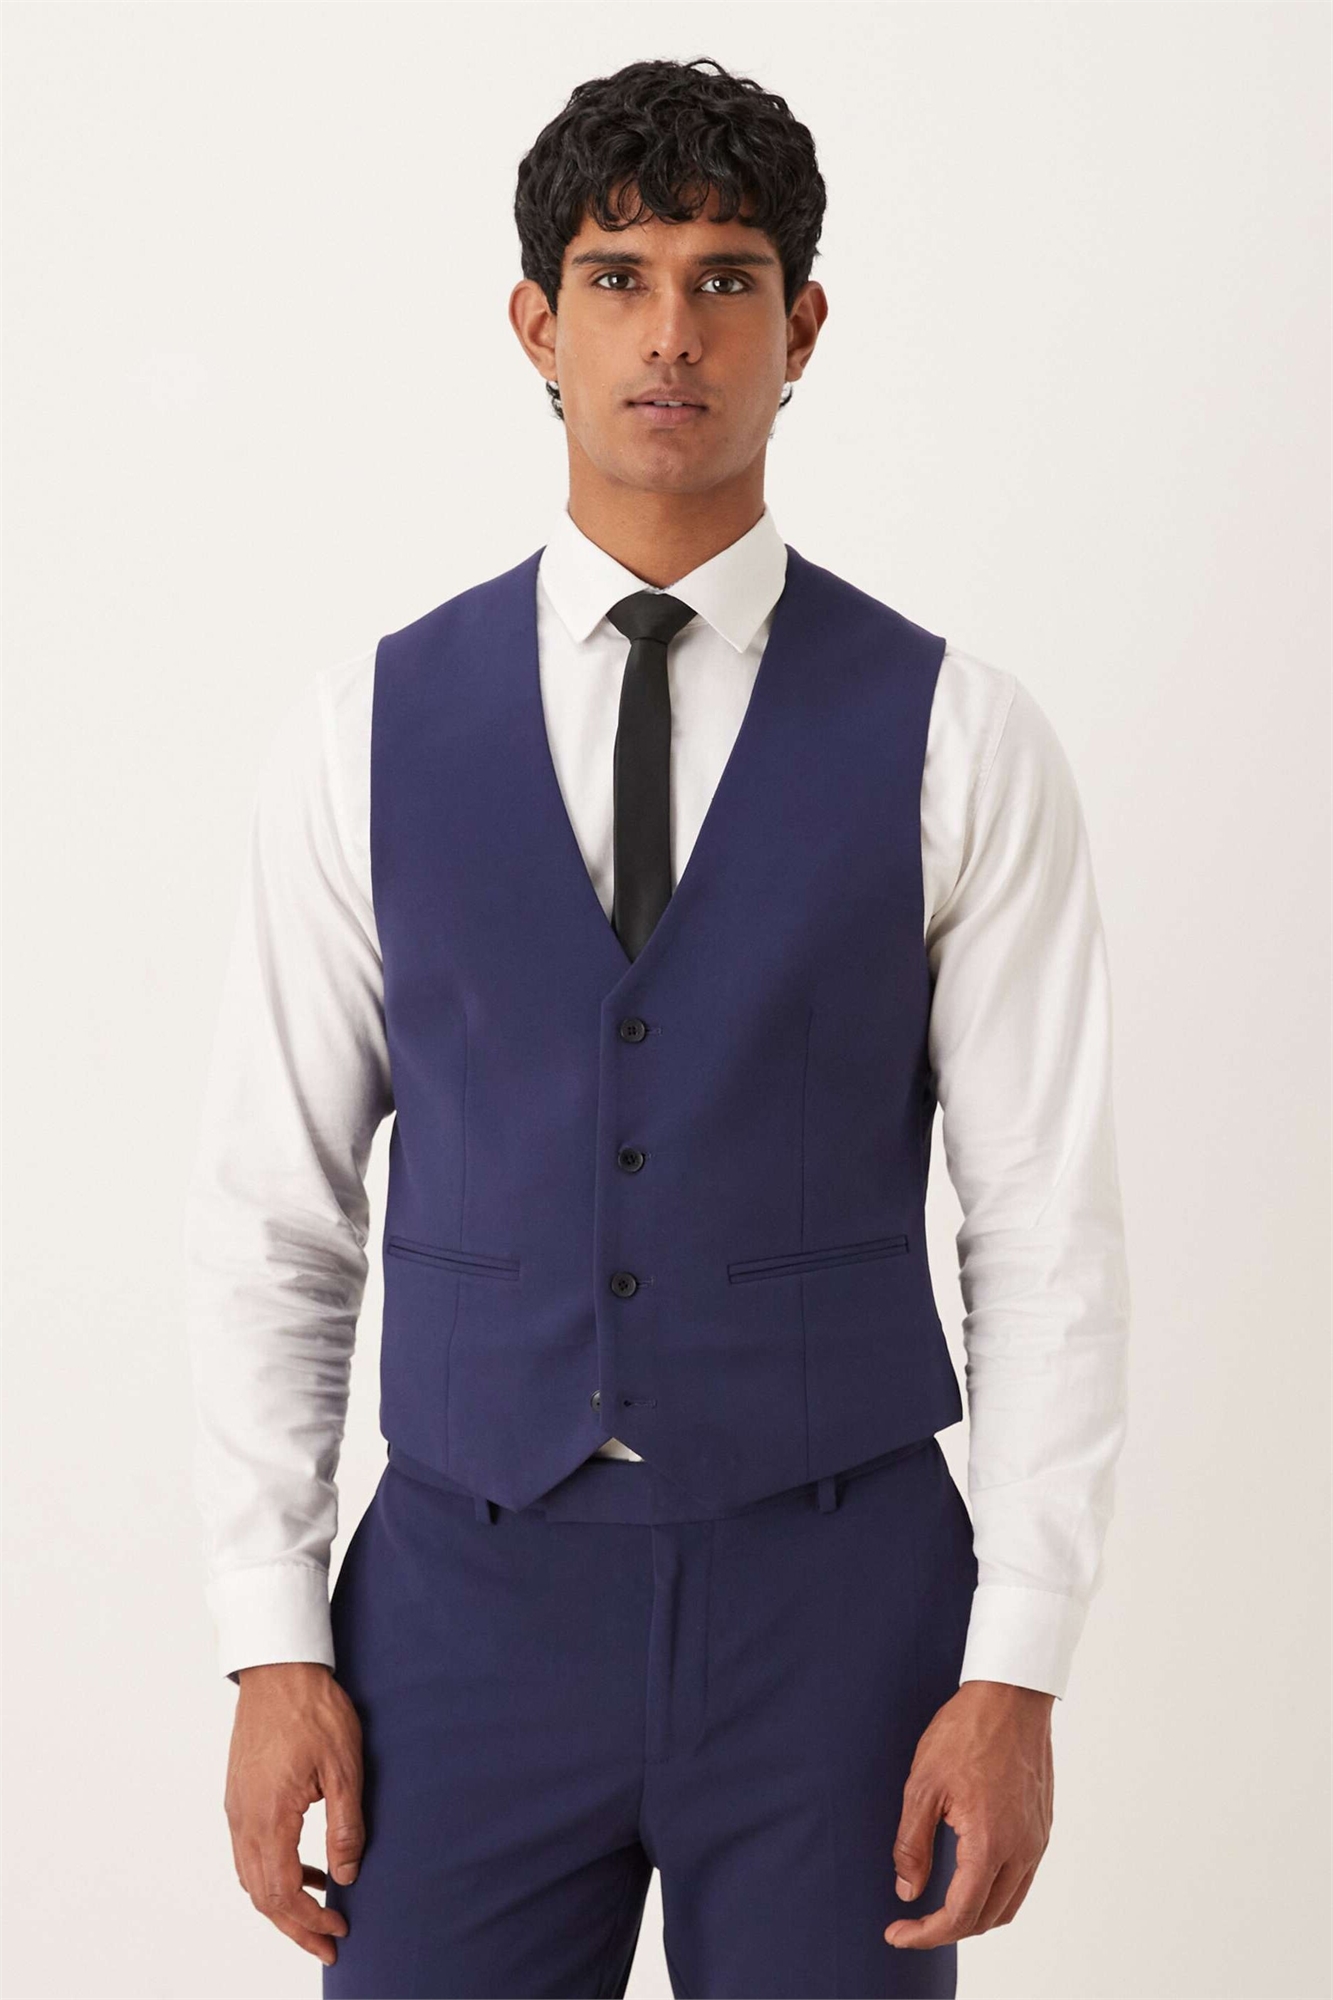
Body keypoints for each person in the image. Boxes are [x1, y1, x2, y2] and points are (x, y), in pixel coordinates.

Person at [183, 54, 1131, 2000]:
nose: (671, 332)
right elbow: (277, 1212)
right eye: (617, 277)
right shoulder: (362, 734)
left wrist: (1016, 1661)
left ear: (804, 326)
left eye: (725, 279)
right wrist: (270, 1632)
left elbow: (1043, 1220)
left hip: (841, 1607)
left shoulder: (957, 735)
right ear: (537, 324)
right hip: (461, 1599)